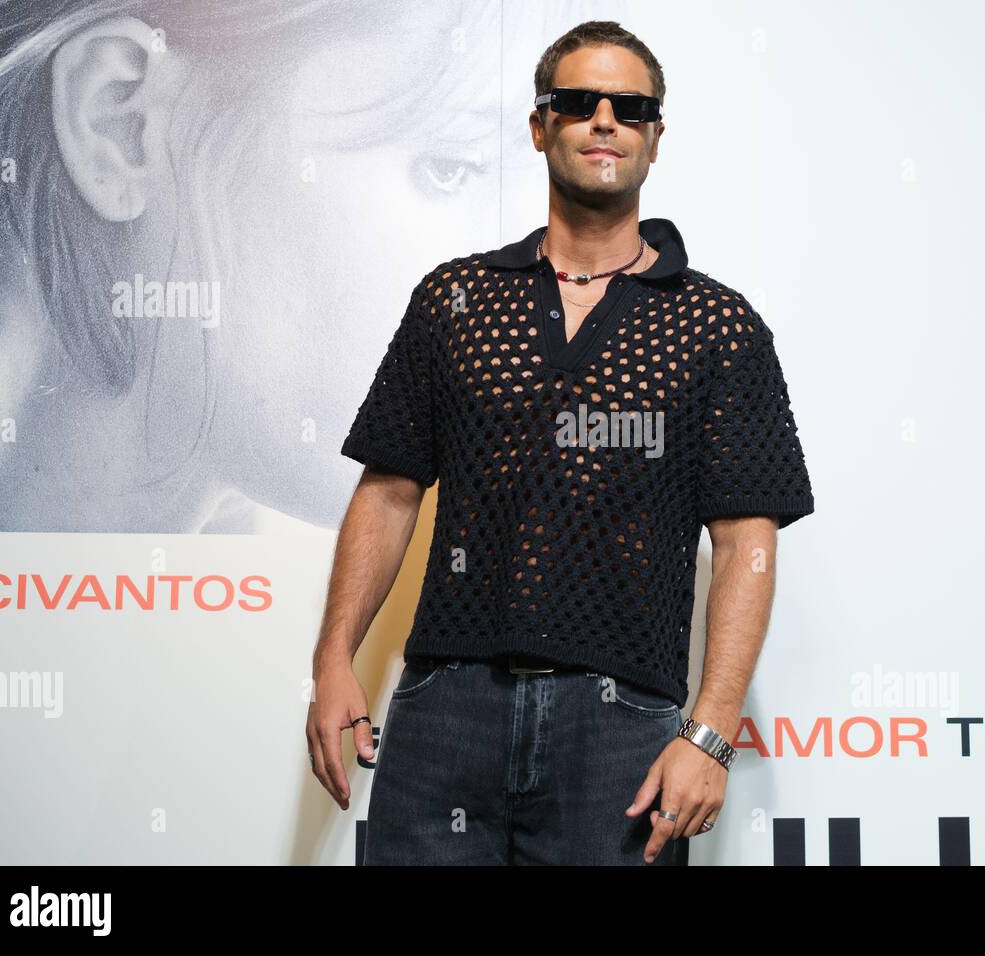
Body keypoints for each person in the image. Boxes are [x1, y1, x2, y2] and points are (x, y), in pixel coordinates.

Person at [307, 20, 816, 865]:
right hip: (446, 708)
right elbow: (390, 492)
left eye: (630, 106)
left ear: (656, 136)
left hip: (623, 729)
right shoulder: (455, 297)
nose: (604, 120)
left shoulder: (718, 324)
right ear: (541, 127)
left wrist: (715, 731)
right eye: (579, 103)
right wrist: (333, 663)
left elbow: (744, 542)